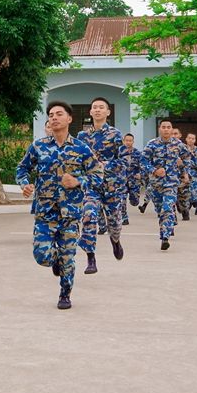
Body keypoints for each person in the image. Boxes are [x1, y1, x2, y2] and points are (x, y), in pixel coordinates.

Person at [16, 100, 103, 310]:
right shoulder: (39, 146)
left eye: (59, 114)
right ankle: (54, 260)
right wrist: (24, 183)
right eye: (51, 115)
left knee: (68, 257)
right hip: (45, 212)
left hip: (70, 213)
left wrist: (78, 181)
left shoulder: (81, 148)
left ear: (69, 119)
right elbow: (22, 168)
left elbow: (98, 175)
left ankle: (65, 294)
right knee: (42, 255)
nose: (54, 117)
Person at [76, 97, 125, 275]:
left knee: (114, 222)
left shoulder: (115, 134)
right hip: (91, 186)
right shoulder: (82, 137)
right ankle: (91, 258)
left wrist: (106, 166)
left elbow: (123, 160)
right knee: (88, 216)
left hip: (111, 186)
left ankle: (115, 241)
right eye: (94, 107)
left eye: (101, 107)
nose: (97, 110)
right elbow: (77, 160)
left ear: (107, 112)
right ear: (90, 112)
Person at [141, 120, 192, 250]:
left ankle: (165, 237)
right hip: (156, 184)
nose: (166, 130)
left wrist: (183, 168)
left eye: (168, 127)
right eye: (163, 127)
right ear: (159, 129)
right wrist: (154, 170)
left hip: (171, 183)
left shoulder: (178, 144)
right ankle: (167, 226)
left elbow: (187, 157)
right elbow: (143, 161)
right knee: (160, 210)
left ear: (171, 129)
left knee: (167, 208)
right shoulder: (152, 144)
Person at [120, 133, 143, 225]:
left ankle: (135, 199)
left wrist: (141, 174)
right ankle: (124, 218)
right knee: (122, 200)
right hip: (122, 180)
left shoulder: (137, 153)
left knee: (134, 202)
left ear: (133, 142)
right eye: (127, 140)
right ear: (123, 141)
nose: (128, 142)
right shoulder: (119, 152)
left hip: (134, 181)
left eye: (130, 141)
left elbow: (143, 165)